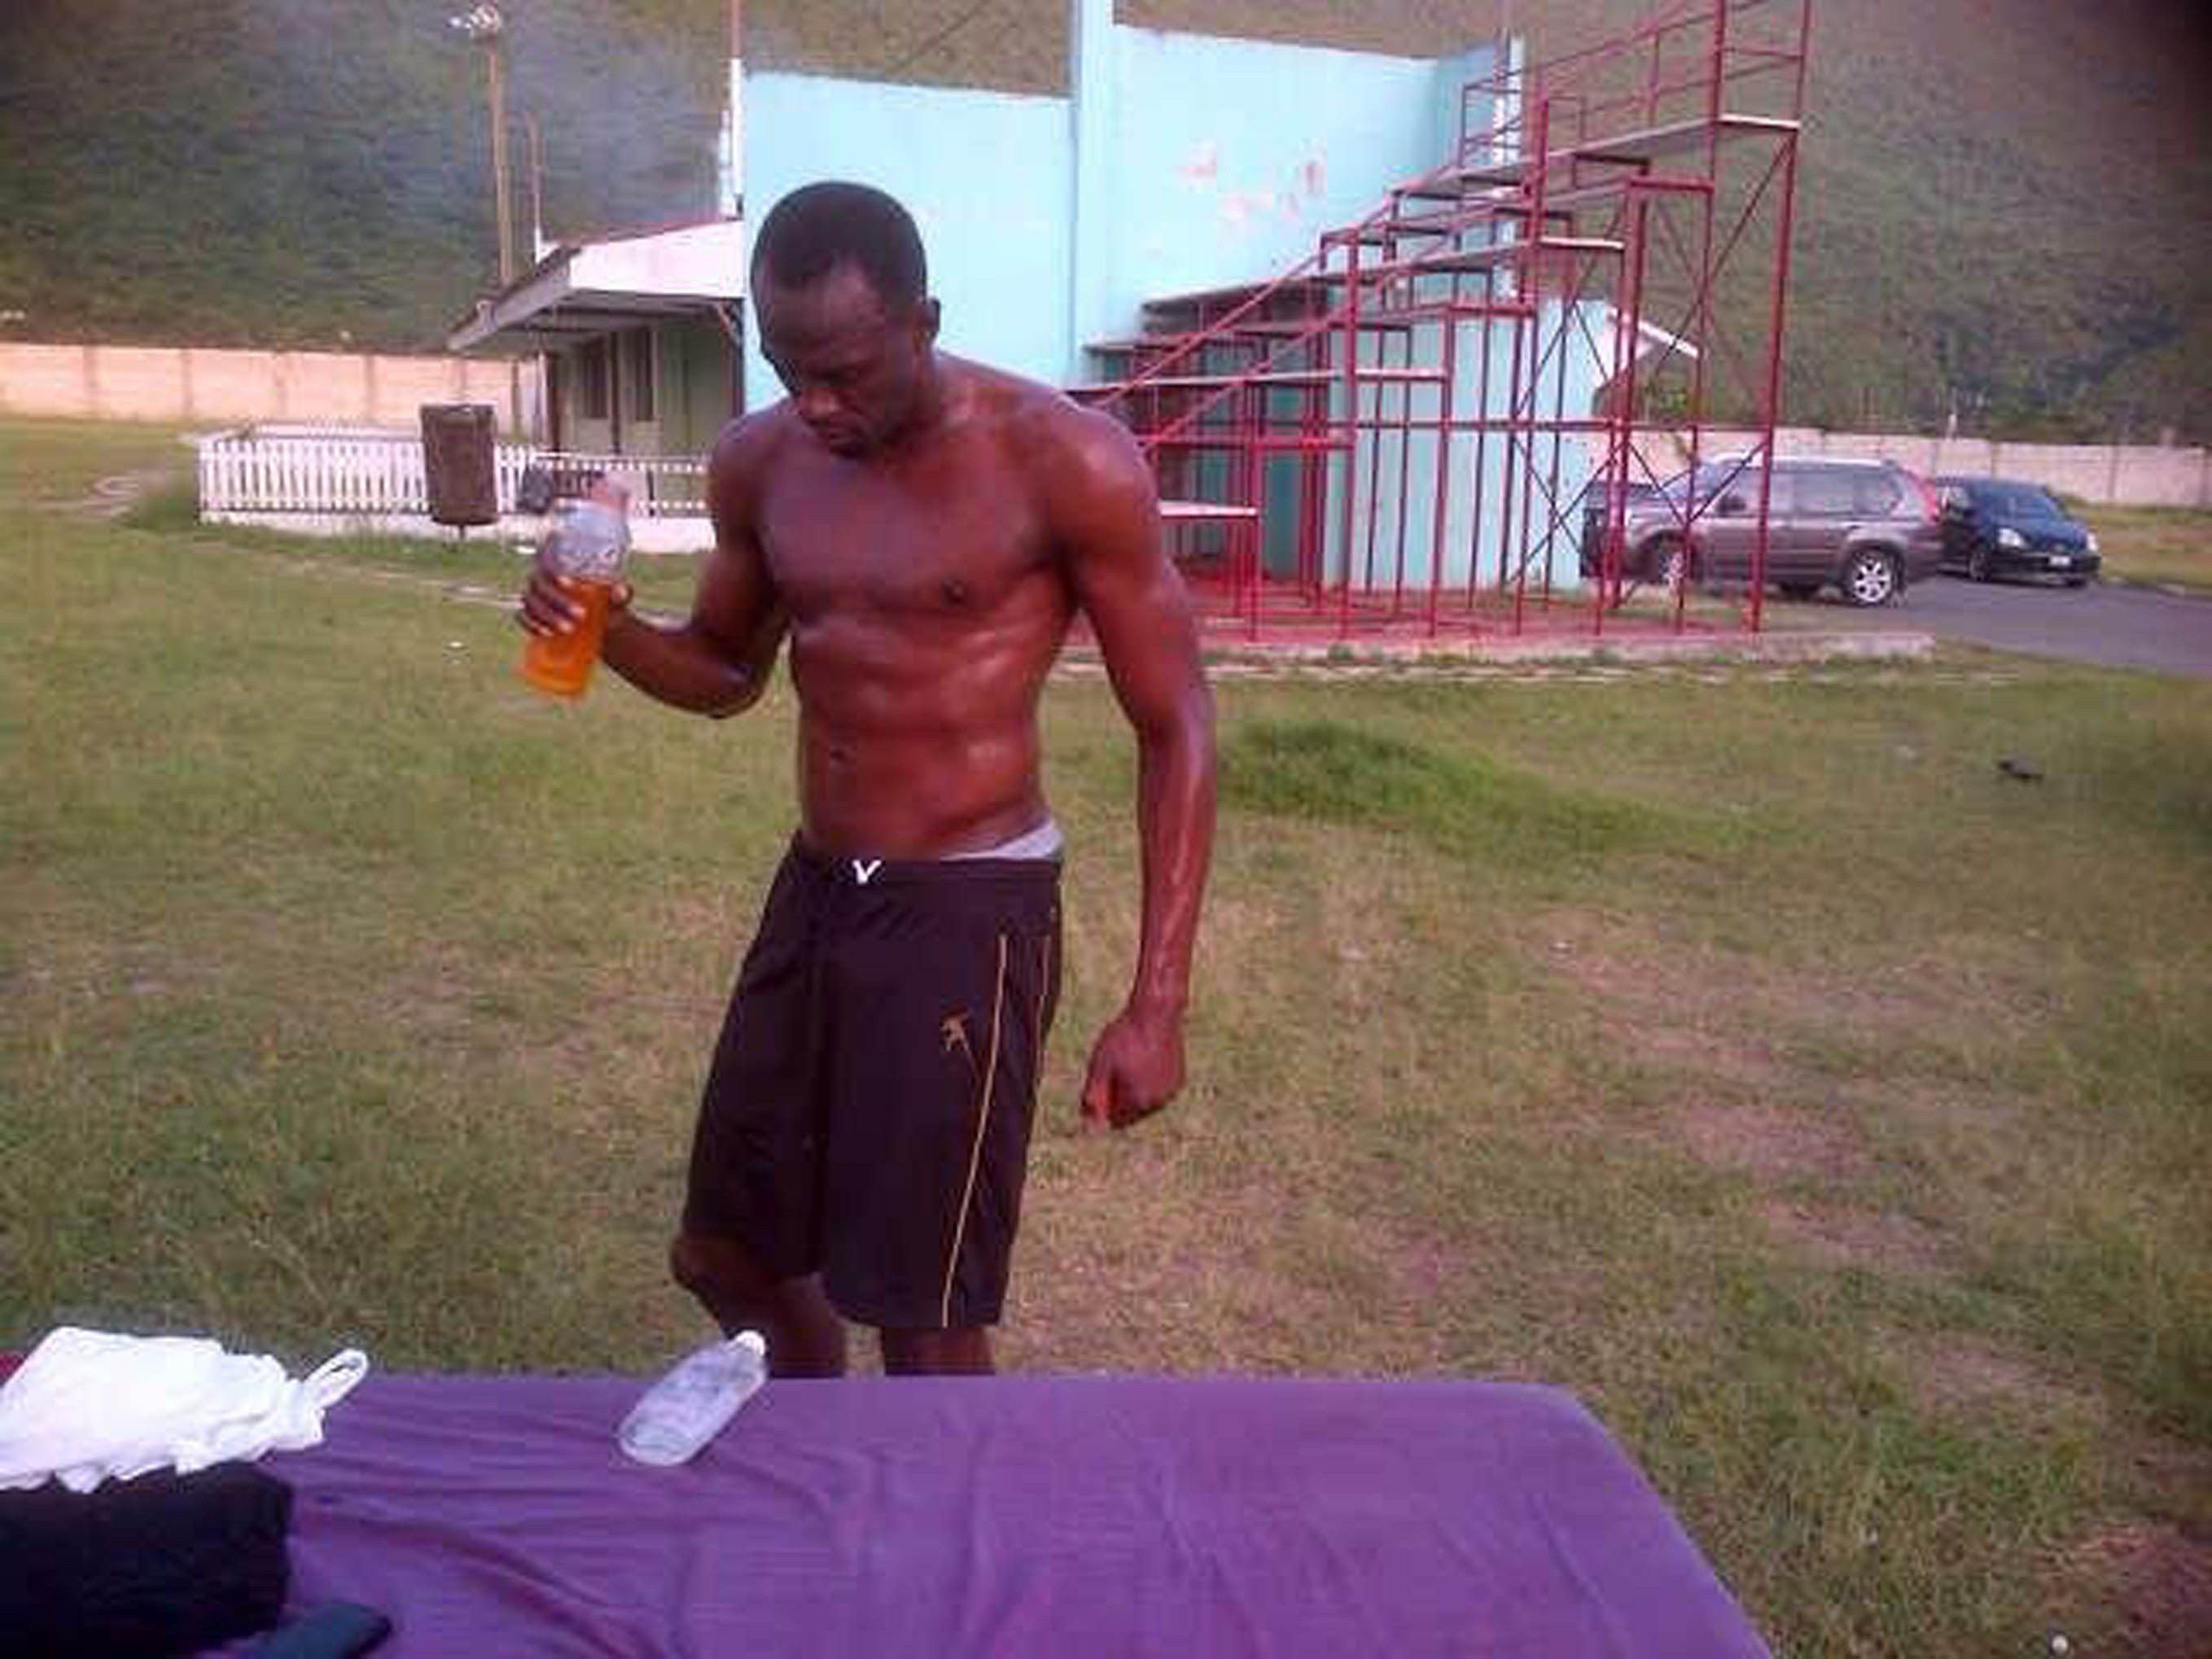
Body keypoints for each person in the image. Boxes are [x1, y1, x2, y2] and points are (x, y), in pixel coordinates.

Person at [517, 181, 1216, 1379]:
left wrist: (1157, 1004)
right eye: (789, 370)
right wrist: (609, 626)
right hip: (820, 889)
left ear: (921, 323)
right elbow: (726, 673)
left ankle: (921, 1495)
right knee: (725, 1253)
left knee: (923, 1312)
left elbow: (1177, 724)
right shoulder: (762, 463)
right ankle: (818, 1439)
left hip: (967, 910)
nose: (817, 404)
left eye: (844, 373)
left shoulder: (1062, 460)